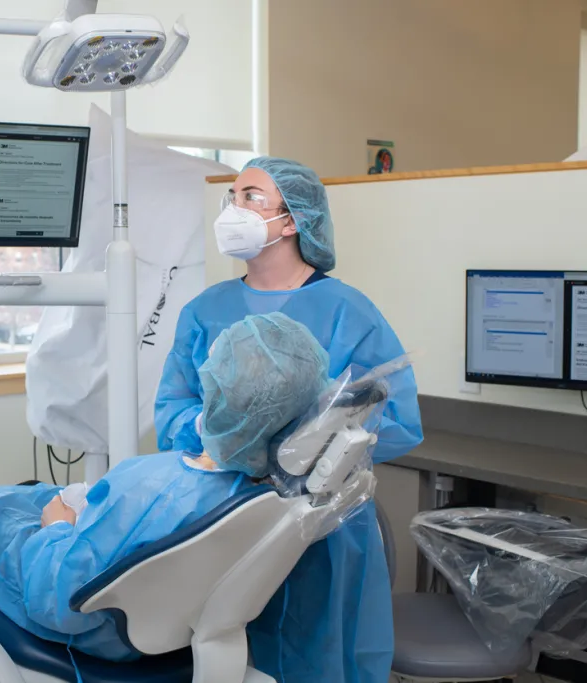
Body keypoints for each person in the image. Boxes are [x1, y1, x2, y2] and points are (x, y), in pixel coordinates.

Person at [0, 313, 333, 662]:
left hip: (97, 627)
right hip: (168, 616)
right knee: (32, 489)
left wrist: (56, 529)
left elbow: (55, 596)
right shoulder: (259, 494)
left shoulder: (149, 489)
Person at [155, 156, 423, 683]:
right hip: (223, 518)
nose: (235, 208)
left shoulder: (348, 311)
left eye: (251, 197)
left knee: (322, 658)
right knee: (227, 654)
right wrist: (230, 434)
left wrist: (307, 437)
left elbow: (397, 421)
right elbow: (172, 411)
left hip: (320, 528)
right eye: (231, 197)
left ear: (293, 219)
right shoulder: (206, 310)